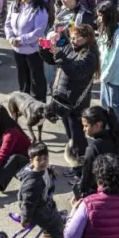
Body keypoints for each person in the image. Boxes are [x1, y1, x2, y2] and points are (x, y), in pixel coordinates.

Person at [42, 24, 99, 158]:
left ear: (86, 38)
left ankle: (81, 169)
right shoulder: (70, 48)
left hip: (76, 105)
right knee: (70, 136)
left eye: (76, 38)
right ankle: (76, 165)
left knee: (78, 138)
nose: (72, 41)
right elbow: (53, 60)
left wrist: (61, 56)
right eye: (71, 37)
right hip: (63, 101)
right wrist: (45, 48)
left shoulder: (89, 55)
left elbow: (77, 72)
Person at [15, 142, 76, 238]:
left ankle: (48, 230)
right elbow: (28, 203)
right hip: (36, 209)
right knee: (56, 225)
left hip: (43, 202)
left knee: (56, 214)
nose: (43, 162)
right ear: (31, 161)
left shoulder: (40, 169)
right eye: (39, 159)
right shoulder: (32, 182)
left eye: (46, 158)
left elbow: (45, 169)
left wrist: (51, 169)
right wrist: (25, 219)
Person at [5, 0, 50, 96]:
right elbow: (8, 24)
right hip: (18, 50)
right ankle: (24, 101)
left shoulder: (39, 9)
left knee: (36, 80)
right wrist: (11, 39)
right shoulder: (15, 5)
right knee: (23, 78)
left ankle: (39, 104)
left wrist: (20, 40)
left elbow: (38, 32)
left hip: (33, 51)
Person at [96, 2, 119, 126]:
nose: (98, 19)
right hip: (105, 76)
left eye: (101, 16)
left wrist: (104, 76)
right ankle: (109, 132)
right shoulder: (105, 31)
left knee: (116, 108)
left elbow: (116, 61)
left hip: (115, 78)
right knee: (105, 105)